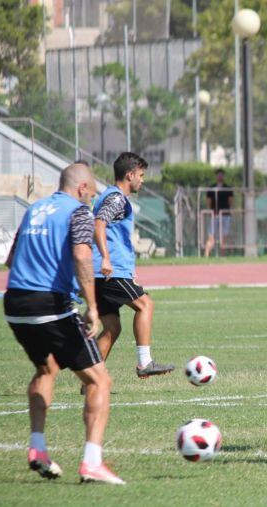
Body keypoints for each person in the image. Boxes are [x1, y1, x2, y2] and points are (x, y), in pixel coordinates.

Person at [4, 163, 125, 485]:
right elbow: (83, 256)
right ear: (83, 188)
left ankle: (38, 448)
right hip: (50, 305)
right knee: (99, 380)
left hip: (15, 302)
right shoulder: (78, 212)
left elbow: (10, 258)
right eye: (92, 194)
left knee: (47, 369)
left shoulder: (34, 210)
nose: (92, 200)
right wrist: (93, 307)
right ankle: (92, 462)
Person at [92, 152, 174, 379]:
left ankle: (91, 379)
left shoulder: (111, 196)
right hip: (109, 272)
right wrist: (106, 258)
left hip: (104, 273)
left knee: (112, 328)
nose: (143, 180)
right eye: (141, 174)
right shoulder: (117, 198)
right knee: (145, 305)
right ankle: (144, 362)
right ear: (129, 175)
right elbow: (99, 224)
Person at [203, 168, 234, 258]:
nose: (220, 176)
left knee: (224, 235)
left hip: (225, 215)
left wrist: (225, 209)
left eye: (221, 174)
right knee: (211, 235)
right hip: (215, 215)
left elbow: (230, 201)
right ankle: (206, 254)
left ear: (224, 176)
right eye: (218, 175)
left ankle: (223, 255)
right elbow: (208, 201)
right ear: (216, 176)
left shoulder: (228, 188)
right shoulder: (211, 188)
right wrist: (213, 210)